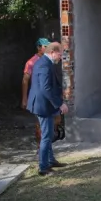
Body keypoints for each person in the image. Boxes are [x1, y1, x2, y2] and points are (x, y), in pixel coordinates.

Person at [26, 42, 68, 176]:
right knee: (46, 136)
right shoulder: (44, 65)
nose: (61, 57)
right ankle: (43, 168)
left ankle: (51, 160)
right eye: (60, 54)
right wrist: (60, 104)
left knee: (48, 134)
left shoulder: (45, 62)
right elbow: (46, 88)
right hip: (42, 105)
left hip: (45, 104)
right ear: (52, 52)